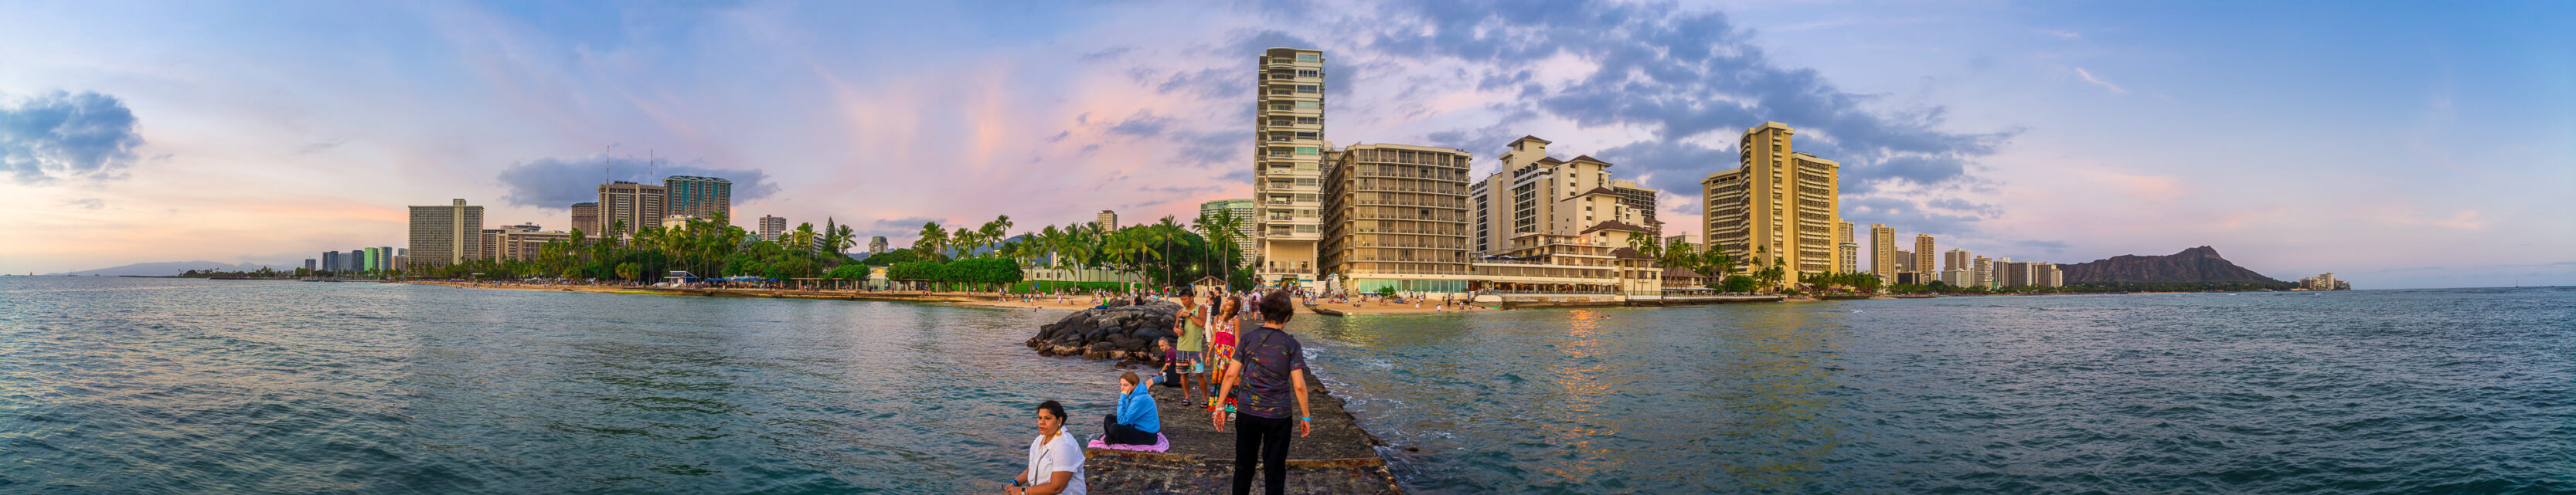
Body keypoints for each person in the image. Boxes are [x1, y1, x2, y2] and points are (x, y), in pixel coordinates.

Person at [1213, 290, 1313, 495]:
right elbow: (1300, 386)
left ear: (1264, 312)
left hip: (1247, 412)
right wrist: (1305, 415)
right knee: (1275, 471)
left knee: (1243, 467)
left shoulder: (1248, 338)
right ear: (1288, 317)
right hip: (1279, 416)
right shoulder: (1291, 345)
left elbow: (1231, 375)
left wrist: (1220, 406)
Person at [1010, 400, 1085, 495]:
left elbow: (1057, 487)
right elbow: (1032, 469)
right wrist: (1014, 482)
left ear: (1059, 421)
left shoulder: (1065, 445)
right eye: (1040, 418)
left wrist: (1023, 492)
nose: (1042, 422)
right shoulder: (1039, 440)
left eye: (1048, 418)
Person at [1102, 371, 1160, 446]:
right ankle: (1111, 439)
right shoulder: (1132, 395)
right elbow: (1125, 416)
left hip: (1148, 436)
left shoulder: (1140, 399)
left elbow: (1122, 421)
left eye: (1125, 385)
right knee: (1109, 418)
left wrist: (1122, 399)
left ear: (1134, 386)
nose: (1122, 388)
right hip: (1135, 427)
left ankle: (1115, 439)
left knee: (1115, 428)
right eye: (1121, 384)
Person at [1172, 286, 1205, 405]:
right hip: (1181, 347)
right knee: (1183, 373)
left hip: (1195, 348)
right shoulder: (1180, 311)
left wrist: (1189, 315)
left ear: (1192, 298)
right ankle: (1187, 397)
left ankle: (1205, 398)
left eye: (1185, 299)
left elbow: (1201, 323)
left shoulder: (1200, 309)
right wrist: (1176, 331)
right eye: (1182, 300)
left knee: (1199, 374)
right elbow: (1175, 327)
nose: (1184, 302)